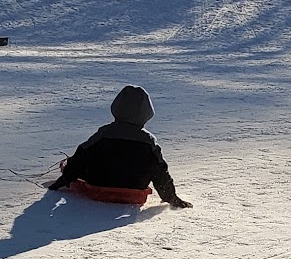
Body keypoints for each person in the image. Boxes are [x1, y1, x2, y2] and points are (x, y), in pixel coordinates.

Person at [47, 85, 192, 208]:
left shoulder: (104, 134)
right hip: (135, 188)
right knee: (151, 163)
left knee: (80, 160)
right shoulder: (149, 142)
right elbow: (161, 172)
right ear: (147, 113)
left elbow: (81, 157)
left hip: (99, 183)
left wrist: (64, 179)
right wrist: (171, 198)